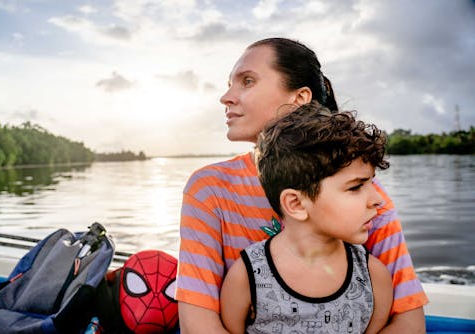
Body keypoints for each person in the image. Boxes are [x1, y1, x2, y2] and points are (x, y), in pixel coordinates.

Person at [176, 37, 428, 333]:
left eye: (247, 81)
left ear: (300, 98)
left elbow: (409, 321)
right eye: (229, 83)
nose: (226, 97)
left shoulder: (366, 197)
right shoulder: (209, 189)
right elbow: (199, 324)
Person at [220, 102, 394, 334]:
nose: (378, 200)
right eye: (355, 188)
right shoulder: (248, 277)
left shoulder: (373, 278)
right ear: (296, 204)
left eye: (371, 183)